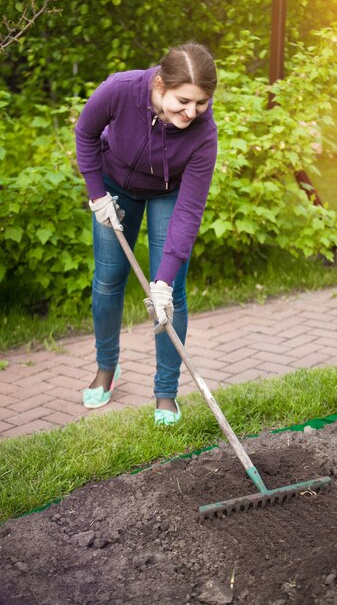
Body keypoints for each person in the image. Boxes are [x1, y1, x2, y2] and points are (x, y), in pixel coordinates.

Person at [75, 42, 218, 425]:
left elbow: (189, 209)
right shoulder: (121, 89)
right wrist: (96, 194)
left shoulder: (204, 133)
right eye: (183, 101)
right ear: (159, 84)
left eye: (201, 103)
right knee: (107, 281)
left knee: (170, 297)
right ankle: (107, 368)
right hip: (115, 186)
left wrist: (164, 279)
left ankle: (166, 392)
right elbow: (86, 132)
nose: (192, 113)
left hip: (169, 196)